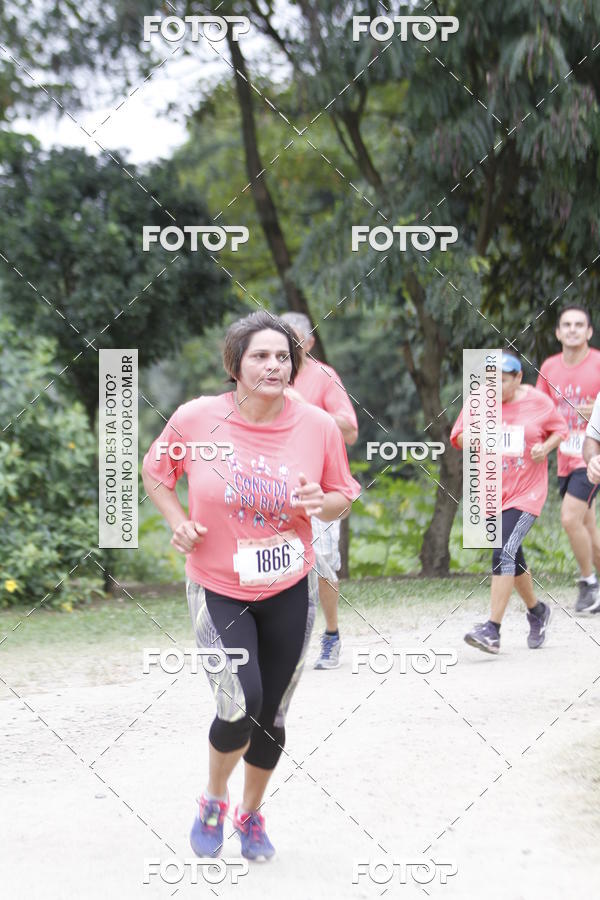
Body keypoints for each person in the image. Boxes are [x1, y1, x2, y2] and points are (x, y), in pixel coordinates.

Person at [142, 310, 360, 861]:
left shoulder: (317, 425)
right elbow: (156, 473)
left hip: (290, 584)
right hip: (219, 586)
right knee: (241, 701)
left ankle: (251, 814)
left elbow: (341, 492)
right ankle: (213, 800)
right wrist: (178, 523)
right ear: (235, 364)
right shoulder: (196, 419)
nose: (273, 365)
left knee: (273, 714)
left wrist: (321, 503)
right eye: (260, 356)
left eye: (282, 356)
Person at [450, 353, 568, 654]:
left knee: (503, 550)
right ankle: (538, 610)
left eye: (502, 381)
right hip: (493, 491)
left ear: (517, 379)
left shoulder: (538, 402)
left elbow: (560, 429)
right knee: (512, 556)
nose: (495, 387)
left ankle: (492, 629)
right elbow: (458, 436)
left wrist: (545, 447)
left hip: (527, 492)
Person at [280, 312, 358, 670]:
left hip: (319, 489)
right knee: (274, 563)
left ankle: (331, 635)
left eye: (294, 338)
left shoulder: (324, 377)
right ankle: (280, 641)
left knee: (323, 565)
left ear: (309, 343)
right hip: (273, 487)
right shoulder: (266, 374)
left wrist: (304, 406)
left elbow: (349, 430)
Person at [536, 305, 600, 614]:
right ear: (558, 333)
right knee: (588, 529)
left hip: (592, 456)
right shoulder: (549, 367)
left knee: (569, 517)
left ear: (589, 332)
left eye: (579, 325)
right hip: (564, 456)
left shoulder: (599, 363)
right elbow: (540, 411)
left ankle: (588, 584)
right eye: (567, 325)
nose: (573, 329)